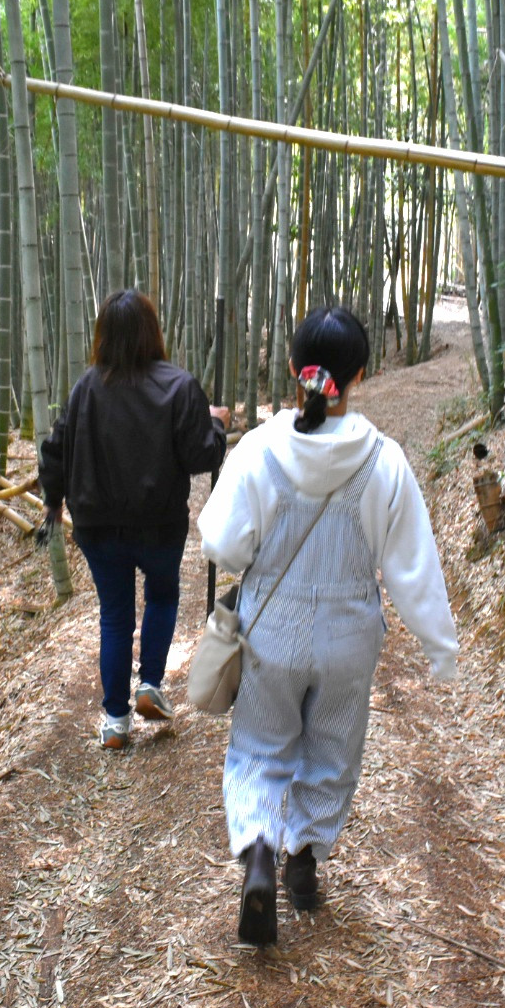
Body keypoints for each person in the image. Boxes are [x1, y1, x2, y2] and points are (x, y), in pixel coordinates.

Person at [199, 305, 458, 945]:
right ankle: (304, 862)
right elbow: (411, 566)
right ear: (362, 375)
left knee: (260, 748)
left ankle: (259, 851)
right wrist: (439, 647)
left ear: (293, 368)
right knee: (333, 751)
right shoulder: (385, 459)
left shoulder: (260, 449)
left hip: (270, 630)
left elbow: (222, 545)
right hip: (350, 635)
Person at [40, 289, 229, 749]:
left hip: (97, 527)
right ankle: (150, 684)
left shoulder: (86, 388)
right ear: (153, 332)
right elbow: (201, 455)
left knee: (116, 615)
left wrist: (53, 501)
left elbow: (55, 449)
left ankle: (115, 720)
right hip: (158, 524)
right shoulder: (179, 386)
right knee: (162, 596)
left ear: (102, 335)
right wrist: (217, 424)